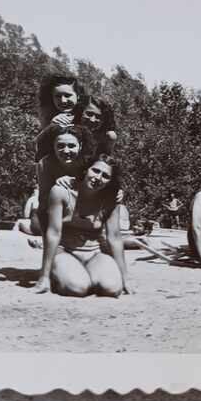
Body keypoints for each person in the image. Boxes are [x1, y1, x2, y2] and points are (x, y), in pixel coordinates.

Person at [35, 156, 131, 297]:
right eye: (95, 171)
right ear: (86, 170)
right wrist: (44, 276)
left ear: (110, 181)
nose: (98, 177)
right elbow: (53, 233)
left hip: (94, 253)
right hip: (65, 251)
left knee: (113, 289)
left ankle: (86, 275)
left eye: (105, 176)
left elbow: (114, 238)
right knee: (78, 288)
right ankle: (59, 275)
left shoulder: (111, 198)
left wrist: (125, 278)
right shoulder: (61, 192)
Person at [34, 74, 85, 161]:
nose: (63, 101)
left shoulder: (88, 114)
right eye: (58, 96)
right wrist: (50, 127)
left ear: (78, 96)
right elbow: (37, 150)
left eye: (67, 95)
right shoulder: (48, 114)